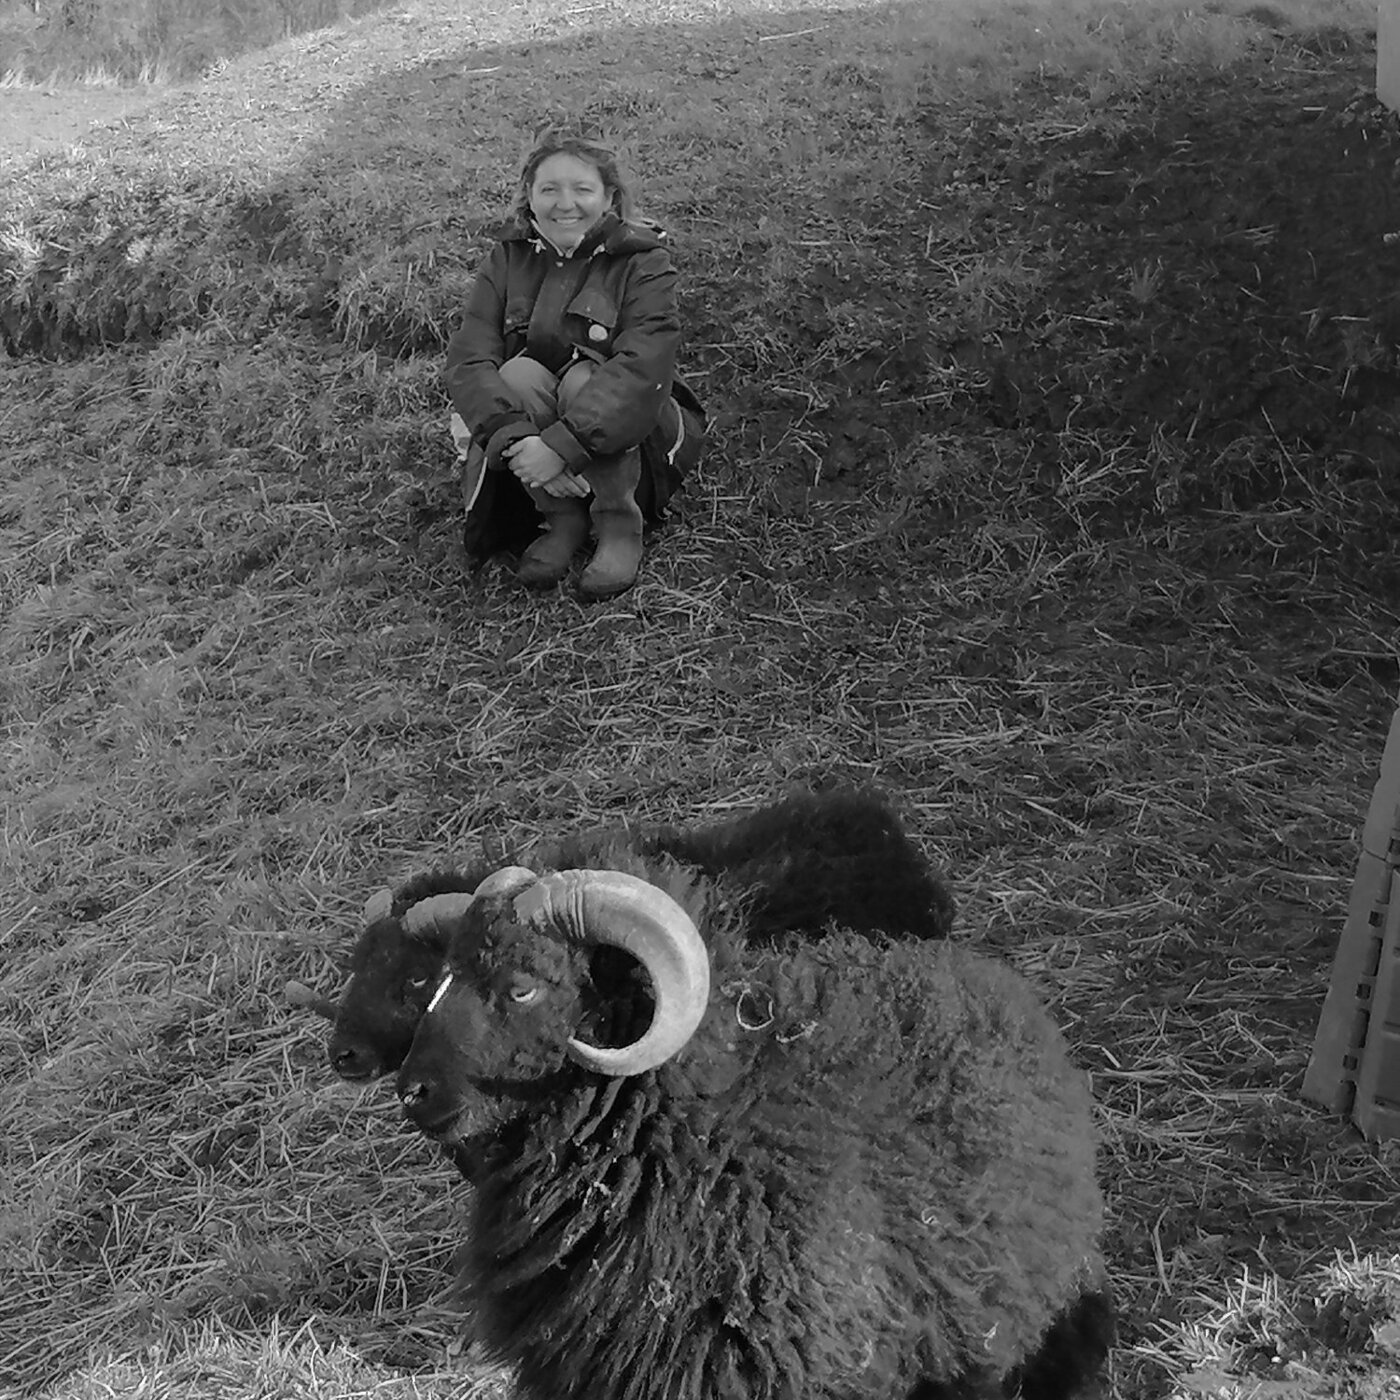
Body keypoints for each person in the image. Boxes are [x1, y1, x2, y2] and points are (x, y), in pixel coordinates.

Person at [444, 129, 706, 599]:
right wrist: (518, 441)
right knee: (516, 375)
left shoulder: (645, 261)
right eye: (549, 190)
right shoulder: (507, 258)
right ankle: (561, 519)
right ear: (530, 196)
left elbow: (641, 370)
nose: (566, 204)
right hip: (534, 441)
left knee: (587, 377)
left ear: (609, 197)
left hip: (634, 431)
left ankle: (619, 526)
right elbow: (469, 359)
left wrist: (562, 447)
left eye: (582, 189)